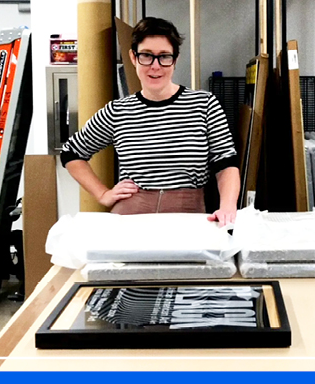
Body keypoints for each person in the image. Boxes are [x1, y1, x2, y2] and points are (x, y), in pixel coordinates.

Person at [60, 17, 240, 227]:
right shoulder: (118, 111)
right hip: (131, 216)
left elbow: (225, 162)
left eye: (164, 57)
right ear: (133, 57)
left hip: (188, 214)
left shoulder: (204, 104)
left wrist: (228, 206)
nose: (155, 66)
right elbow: (71, 152)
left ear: (175, 59)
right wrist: (103, 194)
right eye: (146, 56)